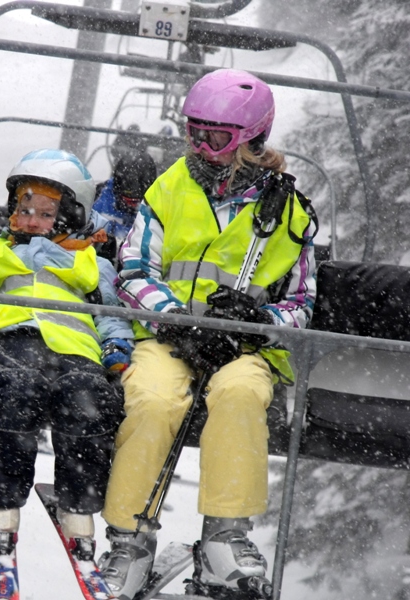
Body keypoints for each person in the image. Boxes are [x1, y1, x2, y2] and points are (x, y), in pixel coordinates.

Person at [99, 69, 317, 599]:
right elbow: (133, 271)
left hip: (242, 348)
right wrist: (180, 320)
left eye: (216, 137)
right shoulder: (169, 188)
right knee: (151, 399)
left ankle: (225, 535)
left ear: (252, 138)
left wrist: (259, 323)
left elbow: (301, 302)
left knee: (242, 393)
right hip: (169, 338)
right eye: (193, 132)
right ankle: (129, 537)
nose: (201, 146)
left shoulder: (287, 212)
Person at [0, 149, 135, 566]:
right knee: (14, 389)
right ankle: (3, 500)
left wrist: (116, 346)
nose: (30, 220)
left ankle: (78, 504)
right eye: (23, 209)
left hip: (75, 347)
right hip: (13, 338)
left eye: (44, 213)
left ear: (70, 216)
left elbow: (111, 312)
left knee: (88, 398)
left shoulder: (91, 263)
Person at [92, 126, 158, 252]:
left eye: (135, 202)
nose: (131, 205)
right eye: (127, 200)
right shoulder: (100, 197)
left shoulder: (158, 211)